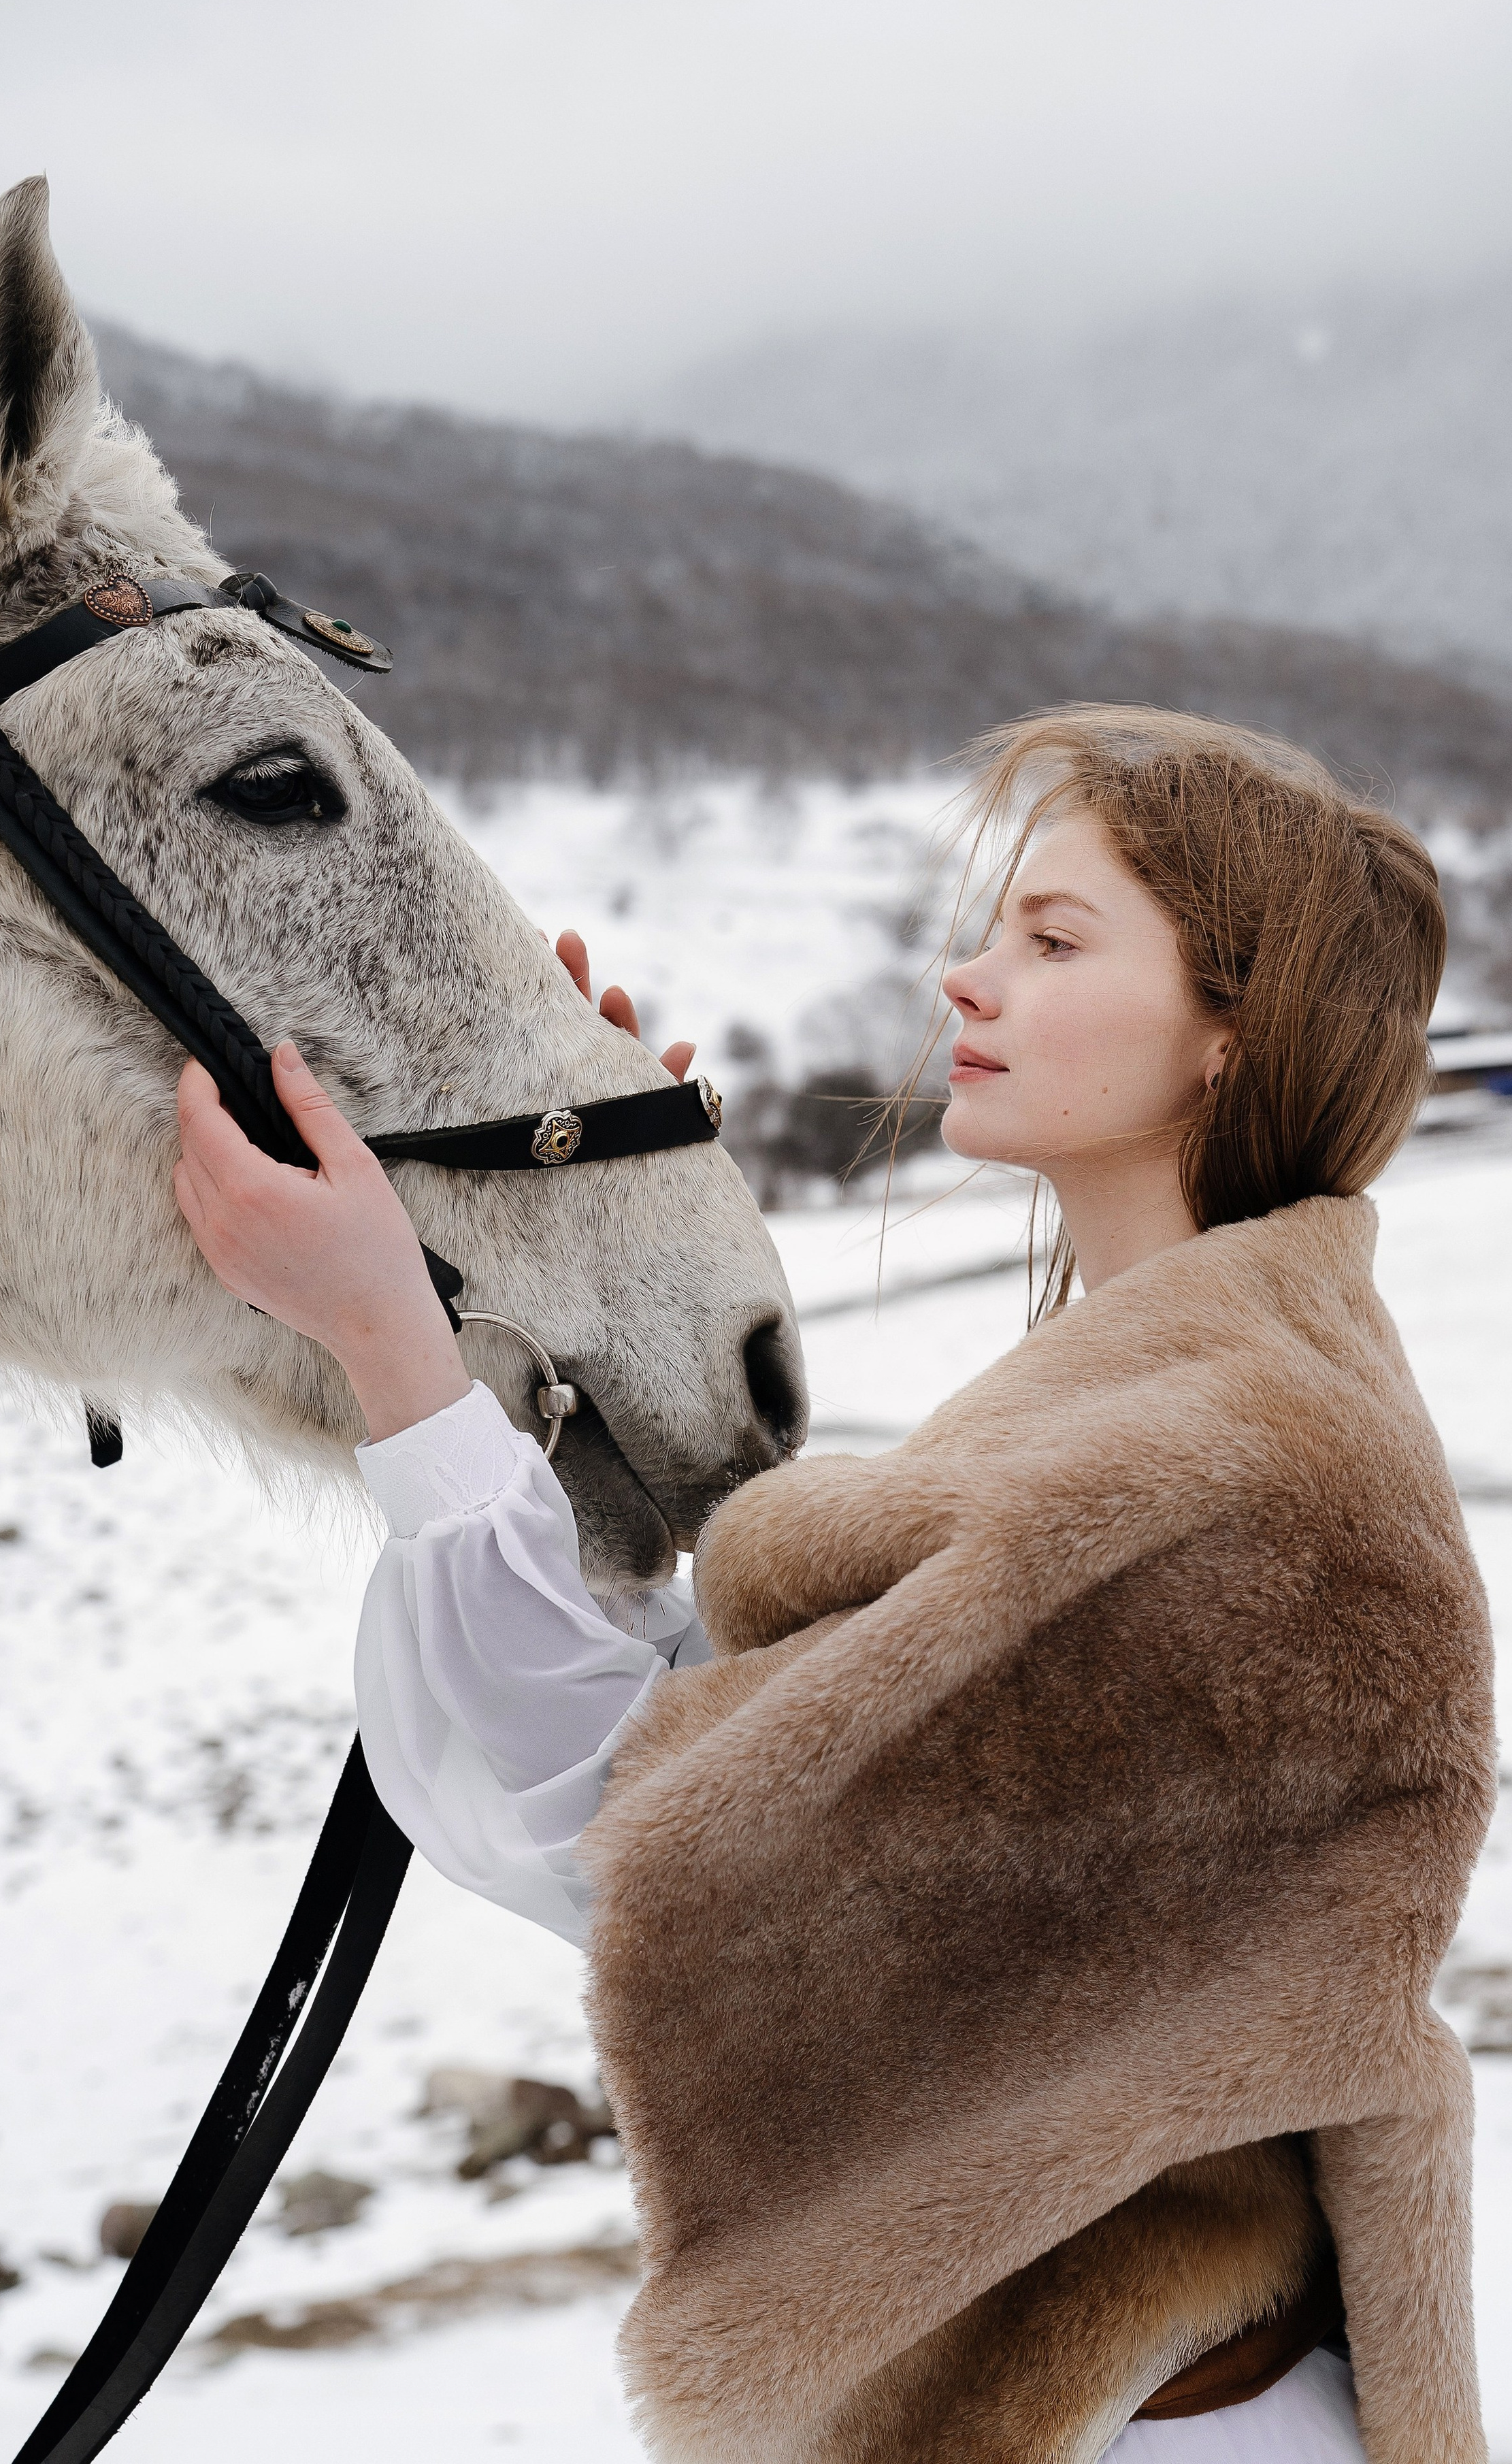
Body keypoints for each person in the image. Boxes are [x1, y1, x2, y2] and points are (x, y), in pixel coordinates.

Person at [172, 708, 1493, 2463]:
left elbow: (657, 1831)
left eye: (1053, 939)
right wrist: (562, 1255)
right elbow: (747, 1725)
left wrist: (391, 1342)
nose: (967, 979)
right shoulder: (1181, 1409)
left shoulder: (1223, 1475)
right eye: (994, 929)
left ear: (1230, 1043)